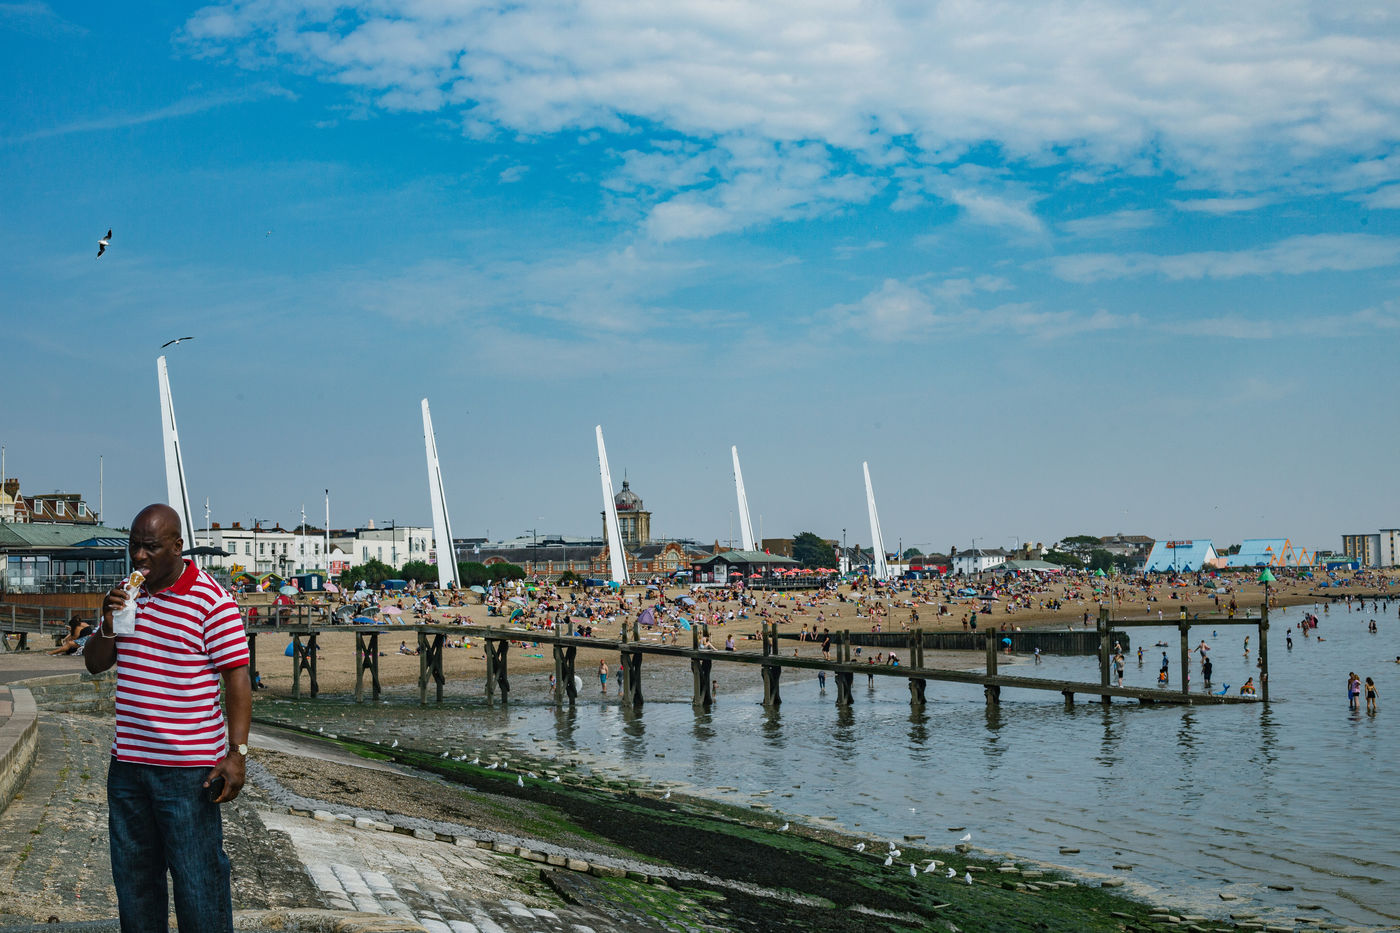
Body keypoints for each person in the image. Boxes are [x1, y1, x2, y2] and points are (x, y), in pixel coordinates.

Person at [85, 504, 250, 933]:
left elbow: (237, 676)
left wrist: (236, 755)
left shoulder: (212, 601)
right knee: (135, 883)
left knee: (198, 882)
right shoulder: (127, 594)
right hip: (128, 766)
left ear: (177, 547)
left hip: (188, 771)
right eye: (133, 546)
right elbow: (96, 664)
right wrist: (107, 622)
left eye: (150, 547)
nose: (139, 556)